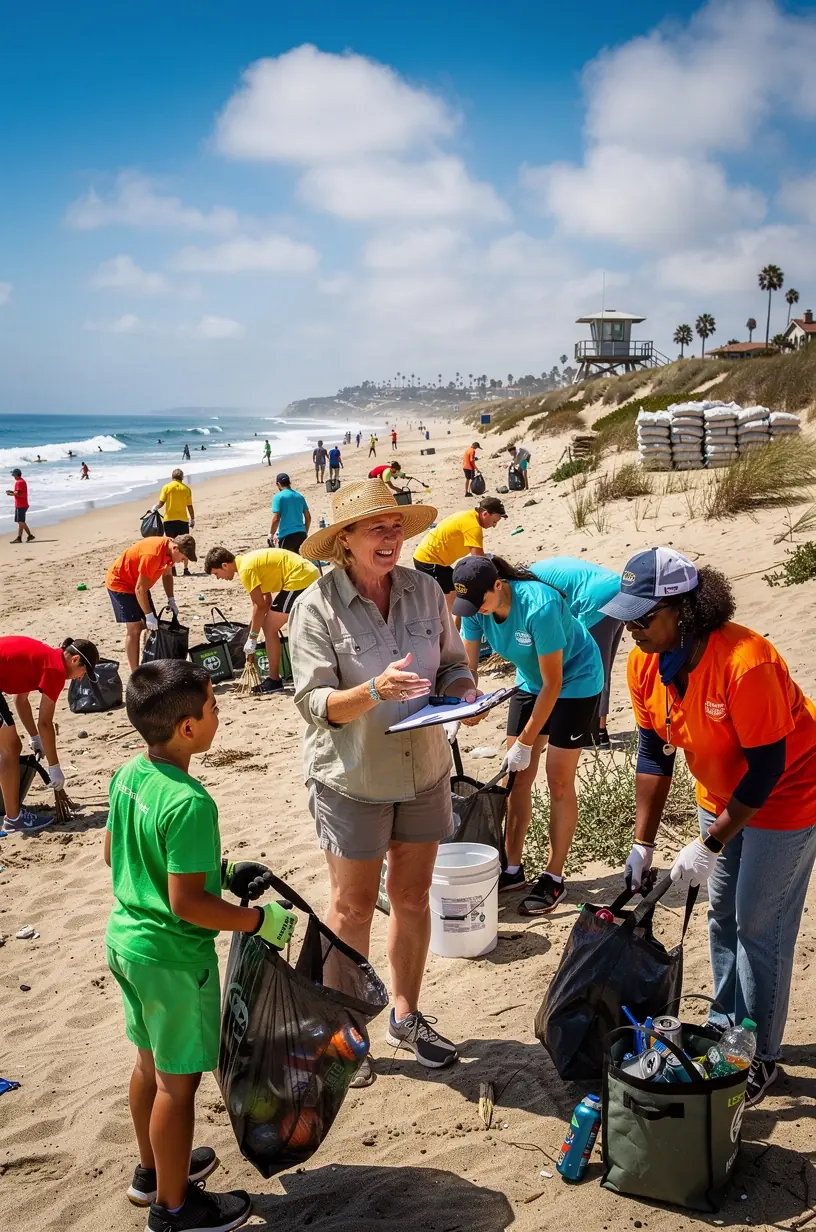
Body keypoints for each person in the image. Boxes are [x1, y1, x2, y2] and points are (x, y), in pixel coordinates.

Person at [601, 547, 816, 1108]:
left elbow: (769, 767)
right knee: (721, 913)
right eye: (626, 618)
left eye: (642, 619)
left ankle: (758, 1054)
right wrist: (642, 842)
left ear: (685, 612)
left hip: (789, 794)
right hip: (719, 795)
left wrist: (712, 842)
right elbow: (653, 753)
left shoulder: (748, 663)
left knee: (757, 925)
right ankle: (725, 1024)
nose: (631, 631)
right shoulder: (647, 662)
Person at [290, 479, 479, 1081]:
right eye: (378, 528)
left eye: (397, 526)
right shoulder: (315, 607)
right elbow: (315, 703)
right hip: (352, 779)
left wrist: (464, 692)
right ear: (344, 541)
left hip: (425, 770)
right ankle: (344, 1033)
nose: (392, 537)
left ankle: (406, 1014)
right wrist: (373, 691)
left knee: (412, 897)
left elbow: (451, 664)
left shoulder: (426, 591)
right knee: (350, 909)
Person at [104, 659, 294, 1230]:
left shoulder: (129, 775)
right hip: (173, 957)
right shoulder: (190, 801)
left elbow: (117, 857)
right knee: (177, 1086)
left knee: (148, 1064)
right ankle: (173, 1208)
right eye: (213, 707)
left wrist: (222, 870)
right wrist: (254, 919)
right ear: (187, 727)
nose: (220, 714)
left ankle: (150, 1174)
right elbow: (187, 904)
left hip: (128, 944)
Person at [454, 555, 602, 914]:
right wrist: (469, 698)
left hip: (575, 681)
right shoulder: (475, 609)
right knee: (515, 779)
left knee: (558, 781)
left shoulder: (540, 606)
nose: (477, 611)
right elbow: (467, 667)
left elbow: (554, 684)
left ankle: (554, 877)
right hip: (530, 682)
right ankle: (512, 868)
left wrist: (525, 741)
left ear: (498, 586)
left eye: (481, 601)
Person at [1, 636, 100, 834]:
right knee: (10, 748)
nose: (81, 677)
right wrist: (54, 768)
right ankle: (14, 819)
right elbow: (45, 723)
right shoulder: (55, 670)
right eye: (84, 671)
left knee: (9, 746)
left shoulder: (46, 658)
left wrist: (34, 737)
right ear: (73, 660)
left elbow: (20, 700)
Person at [529, 557, 622, 750]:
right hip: (618, 589)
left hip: (596, 598)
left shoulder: (527, 588)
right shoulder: (535, 572)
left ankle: (593, 734)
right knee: (603, 666)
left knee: (589, 665)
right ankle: (599, 731)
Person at [203, 546, 319, 695]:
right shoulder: (247, 562)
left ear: (225, 565)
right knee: (270, 626)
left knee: (270, 628)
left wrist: (252, 638)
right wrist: (254, 631)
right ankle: (277, 678)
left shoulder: (246, 570)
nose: (218, 578)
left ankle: (274, 680)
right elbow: (265, 600)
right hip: (307, 573)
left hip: (300, 578)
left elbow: (259, 605)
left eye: (216, 573)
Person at [106, 534, 197, 672]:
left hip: (140, 584)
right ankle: (135, 672)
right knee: (135, 628)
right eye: (183, 558)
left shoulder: (170, 551)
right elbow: (139, 589)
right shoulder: (153, 554)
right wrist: (148, 615)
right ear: (176, 549)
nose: (181, 562)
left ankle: (148, 661)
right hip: (121, 582)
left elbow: (167, 575)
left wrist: (171, 600)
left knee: (150, 627)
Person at [413, 498, 507, 625]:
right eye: (494, 521)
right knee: (454, 599)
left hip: (435, 560)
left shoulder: (469, 516)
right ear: (485, 514)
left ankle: (452, 630)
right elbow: (478, 560)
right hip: (429, 559)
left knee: (456, 594)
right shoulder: (473, 526)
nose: (494, 525)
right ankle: (453, 636)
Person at [152, 470, 195, 577]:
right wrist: (192, 519)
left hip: (169, 520)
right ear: (182, 477)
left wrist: (155, 508)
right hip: (183, 520)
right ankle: (185, 569)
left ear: (172, 477)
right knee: (185, 544)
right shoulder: (186, 489)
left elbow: (161, 503)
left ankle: (172, 568)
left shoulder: (166, 487)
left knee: (171, 545)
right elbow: (189, 506)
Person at [270, 473, 311, 554]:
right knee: (301, 562)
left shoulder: (278, 497)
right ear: (289, 482)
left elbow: (276, 519)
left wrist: (271, 534)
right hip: (301, 534)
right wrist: (304, 531)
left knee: (287, 564)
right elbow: (308, 517)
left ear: (278, 484)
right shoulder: (299, 496)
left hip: (287, 536)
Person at [7, 468, 33, 543]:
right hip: (22, 504)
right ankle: (19, 538)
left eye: (13, 474)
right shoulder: (22, 481)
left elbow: (17, 493)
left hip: (21, 505)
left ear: (16, 474)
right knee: (20, 522)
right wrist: (12, 492)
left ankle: (30, 535)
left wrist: (10, 494)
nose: (13, 476)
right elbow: (19, 492)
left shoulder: (19, 482)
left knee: (20, 521)